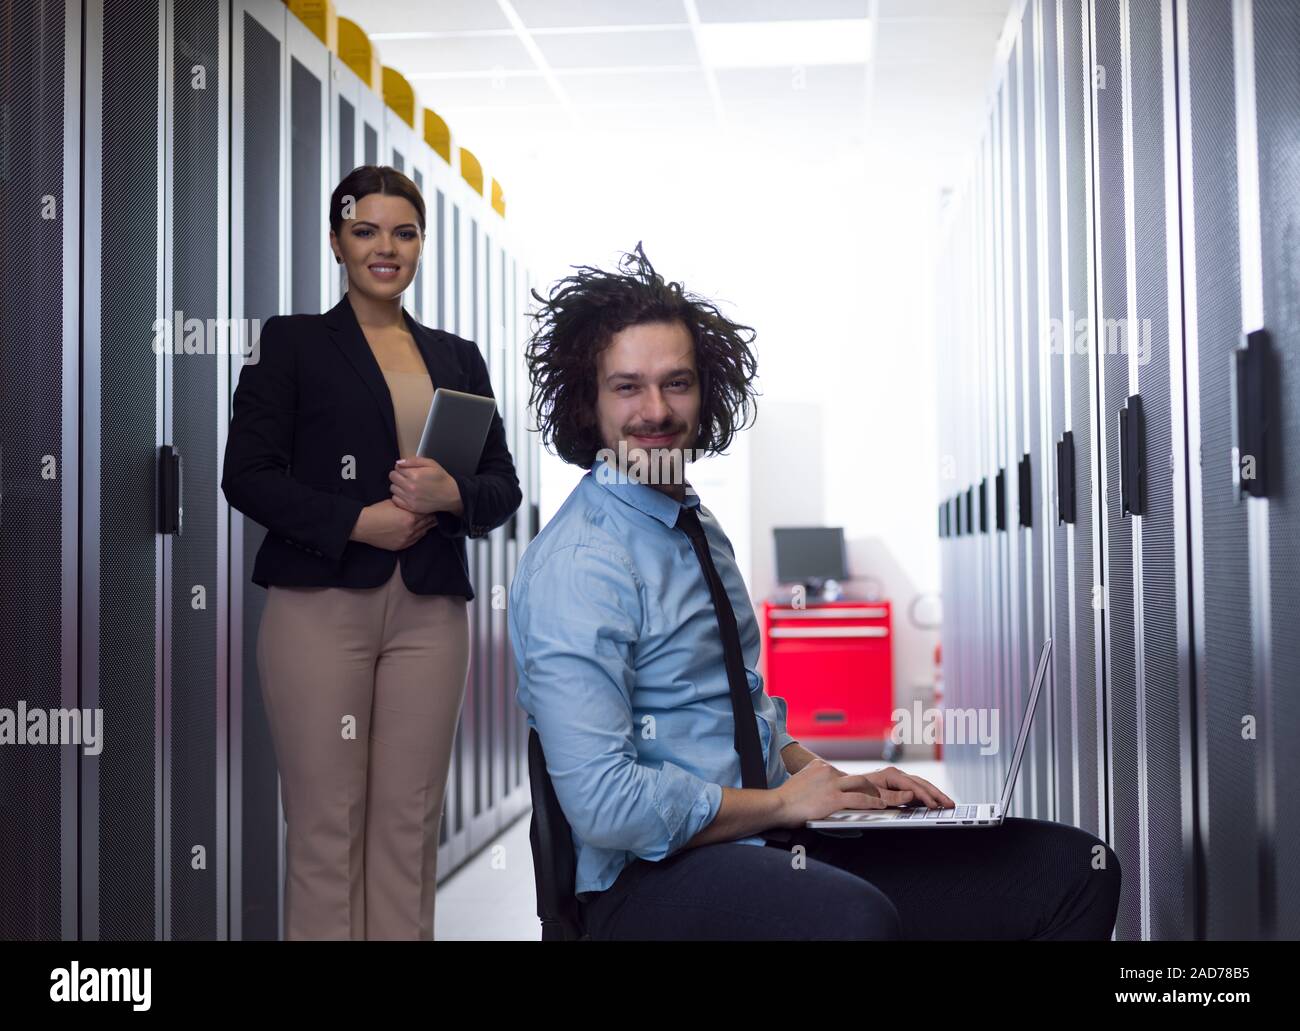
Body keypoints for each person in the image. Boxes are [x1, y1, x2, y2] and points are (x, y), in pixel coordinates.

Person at [508, 242, 1120, 940]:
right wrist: (780, 805)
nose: (656, 409)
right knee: (855, 920)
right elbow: (604, 805)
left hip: (766, 840)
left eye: (676, 383)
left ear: (707, 391)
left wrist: (837, 783)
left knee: (1075, 868)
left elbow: (743, 722)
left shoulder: (695, 526)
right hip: (648, 882)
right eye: (627, 386)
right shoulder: (580, 563)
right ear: (588, 403)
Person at [221, 165, 521, 940]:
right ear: (336, 241)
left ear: (421, 244)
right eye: (365, 231)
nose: (385, 248)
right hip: (319, 606)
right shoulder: (290, 344)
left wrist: (451, 495)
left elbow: (501, 487)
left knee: (409, 824)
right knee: (328, 827)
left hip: (430, 611)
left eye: (403, 232)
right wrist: (361, 520)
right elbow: (245, 475)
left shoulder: (456, 357)